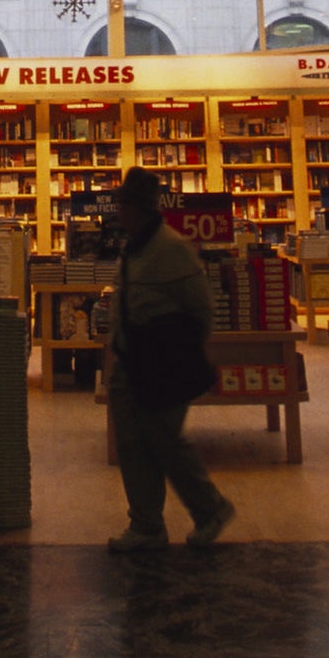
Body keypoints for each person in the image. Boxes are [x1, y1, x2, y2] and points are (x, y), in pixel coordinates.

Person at [103, 167, 234, 553]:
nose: (118, 209)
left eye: (123, 202)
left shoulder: (170, 248)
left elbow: (201, 309)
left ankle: (210, 509)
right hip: (131, 361)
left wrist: (177, 352)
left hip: (162, 362)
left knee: (163, 441)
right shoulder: (136, 245)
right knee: (132, 443)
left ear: (137, 207)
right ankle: (146, 525)